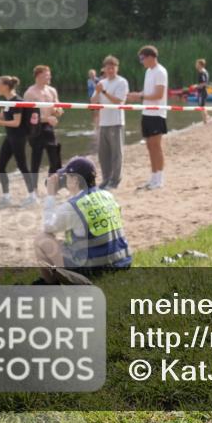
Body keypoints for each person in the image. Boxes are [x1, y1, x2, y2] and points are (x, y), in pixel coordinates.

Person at [34, 156, 132, 284]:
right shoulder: (107, 195)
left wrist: (51, 196)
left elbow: (48, 226)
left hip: (95, 269)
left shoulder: (73, 205)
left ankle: (54, 282)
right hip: (122, 263)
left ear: (75, 180)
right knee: (73, 236)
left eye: (67, 177)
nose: (65, 180)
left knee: (42, 238)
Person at [0, 75, 37, 209]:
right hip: (10, 137)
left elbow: (16, 123)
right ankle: (6, 197)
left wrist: (0, 122)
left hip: (18, 137)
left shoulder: (17, 101)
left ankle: (32, 196)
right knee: (0, 166)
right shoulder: (6, 101)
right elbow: (0, 117)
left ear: (5, 86)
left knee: (22, 165)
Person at [126, 45, 168, 191]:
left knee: (156, 146)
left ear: (150, 57)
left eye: (142, 58)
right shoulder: (148, 72)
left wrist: (140, 96)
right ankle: (153, 177)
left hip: (157, 113)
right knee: (150, 146)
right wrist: (137, 95)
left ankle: (160, 179)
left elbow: (159, 94)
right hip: (147, 113)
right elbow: (148, 92)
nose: (141, 61)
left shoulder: (160, 71)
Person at [24, 65, 64, 188]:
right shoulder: (30, 93)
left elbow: (59, 107)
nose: (49, 77)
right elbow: (28, 117)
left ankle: (51, 184)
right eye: (47, 75)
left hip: (49, 127)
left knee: (55, 158)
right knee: (36, 159)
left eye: (49, 74)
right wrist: (47, 118)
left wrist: (58, 111)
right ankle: (33, 188)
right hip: (36, 127)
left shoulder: (52, 90)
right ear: (38, 76)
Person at [92, 55, 129, 187]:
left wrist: (104, 92)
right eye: (108, 68)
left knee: (116, 154)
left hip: (116, 122)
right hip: (103, 123)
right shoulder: (102, 82)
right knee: (103, 155)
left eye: (112, 68)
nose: (110, 70)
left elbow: (119, 101)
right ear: (104, 69)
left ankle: (115, 180)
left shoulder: (122, 82)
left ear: (116, 68)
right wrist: (97, 92)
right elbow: (93, 102)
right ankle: (106, 179)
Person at [194, 58, 210, 124]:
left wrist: (196, 86)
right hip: (203, 91)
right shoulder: (204, 71)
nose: (195, 65)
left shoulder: (202, 72)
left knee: (201, 106)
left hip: (203, 92)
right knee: (202, 106)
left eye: (196, 64)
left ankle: (205, 122)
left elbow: (204, 83)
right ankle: (207, 117)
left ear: (200, 65)